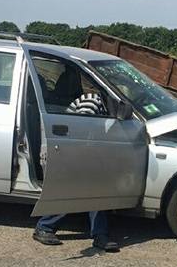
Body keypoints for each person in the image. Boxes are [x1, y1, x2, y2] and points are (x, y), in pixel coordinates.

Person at [32, 85, 120, 252]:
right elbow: (79, 131)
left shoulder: (99, 104)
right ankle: (44, 227)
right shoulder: (92, 103)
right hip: (67, 151)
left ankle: (99, 234)